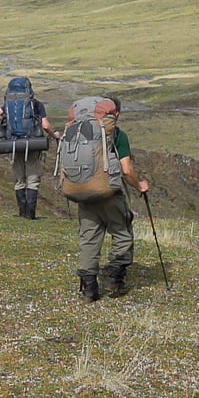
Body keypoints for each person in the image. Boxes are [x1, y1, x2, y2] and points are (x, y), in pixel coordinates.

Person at [74, 96, 150, 302]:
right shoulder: (117, 134)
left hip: (83, 191)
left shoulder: (78, 132)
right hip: (109, 193)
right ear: (116, 113)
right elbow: (126, 170)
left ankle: (89, 289)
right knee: (122, 232)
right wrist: (139, 186)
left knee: (89, 238)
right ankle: (115, 280)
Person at [0, 78, 61, 219]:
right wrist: (55, 135)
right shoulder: (36, 104)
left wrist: (7, 119)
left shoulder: (8, 104)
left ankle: (22, 212)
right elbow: (45, 125)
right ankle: (30, 214)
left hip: (14, 144)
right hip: (32, 144)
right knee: (32, 179)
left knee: (19, 178)